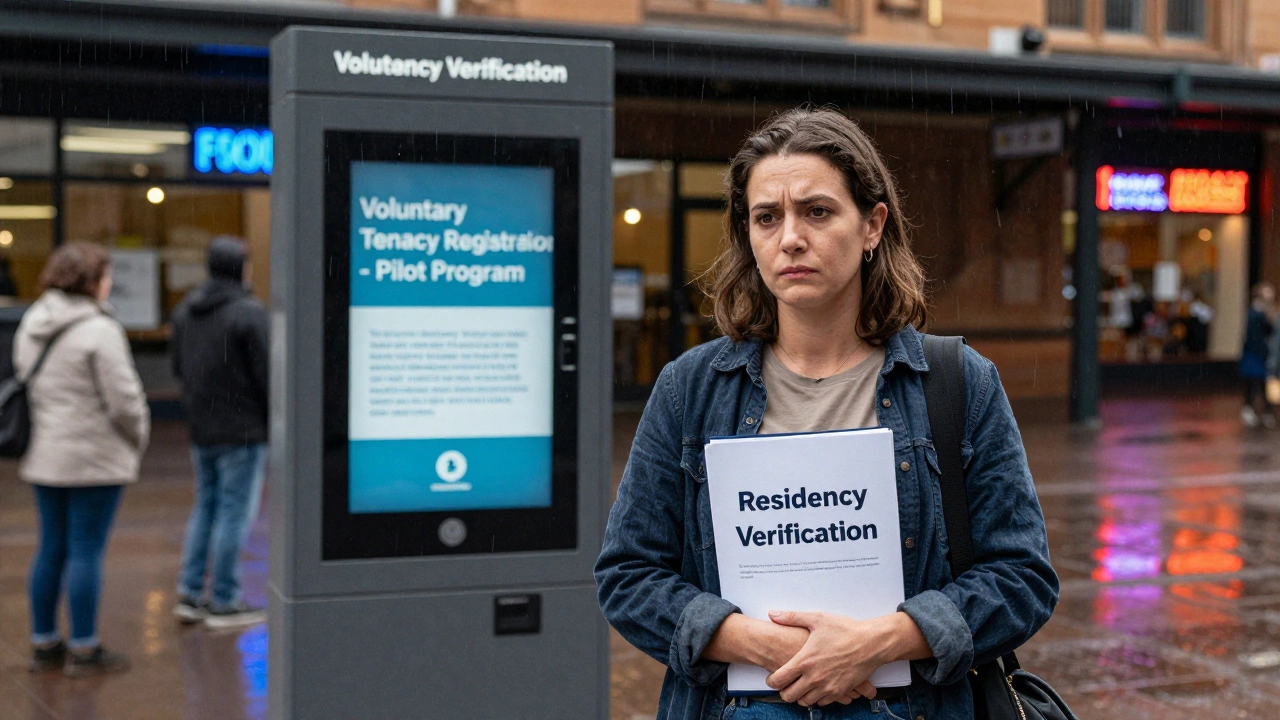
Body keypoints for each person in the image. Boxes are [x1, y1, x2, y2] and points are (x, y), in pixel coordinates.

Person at [595, 108, 1058, 720]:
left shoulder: (956, 383)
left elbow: (1022, 577)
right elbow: (629, 576)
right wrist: (759, 643)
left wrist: (881, 643)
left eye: (817, 211)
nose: (790, 237)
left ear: (872, 226)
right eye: (767, 217)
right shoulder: (692, 389)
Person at [17, 242, 149, 677]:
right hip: (93, 458)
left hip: (46, 457)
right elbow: (124, 402)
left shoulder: (33, 321)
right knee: (86, 551)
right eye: (106, 275)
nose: (110, 283)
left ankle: (44, 642)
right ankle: (85, 648)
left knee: (51, 547)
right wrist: (138, 437)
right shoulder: (99, 330)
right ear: (91, 281)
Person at [169, 236, 270, 629]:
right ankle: (224, 600)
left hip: (202, 427)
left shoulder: (185, 312)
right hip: (242, 429)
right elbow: (267, 374)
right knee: (233, 513)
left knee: (206, 507)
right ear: (241, 267)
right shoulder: (247, 313)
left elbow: (179, 367)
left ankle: (191, 592)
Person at [1240, 281, 1275, 429]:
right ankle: (1251, 410)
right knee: (1254, 383)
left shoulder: (1262, 312)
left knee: (1262, 384)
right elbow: (1254, 336)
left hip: (1259, 355)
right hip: (1255, 355)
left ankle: (1264, 412)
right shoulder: (1255, 313)